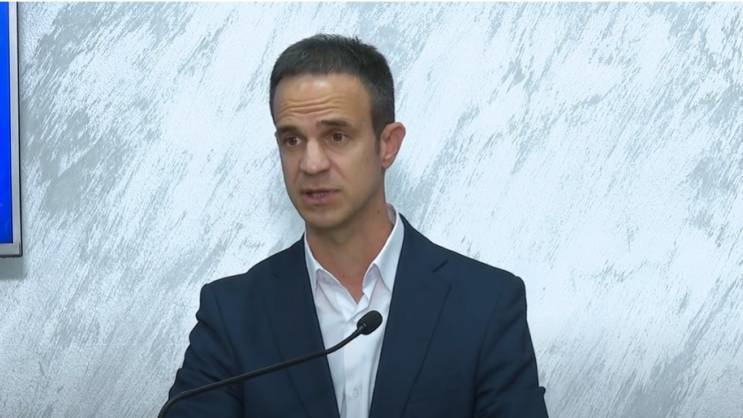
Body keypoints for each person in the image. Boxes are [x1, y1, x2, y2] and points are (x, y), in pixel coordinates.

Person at [165, 34, 548, 418]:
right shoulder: (232, 312)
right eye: (292, 140)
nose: (311, 164)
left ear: (388, 144)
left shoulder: (486, 304)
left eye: (336, 136)